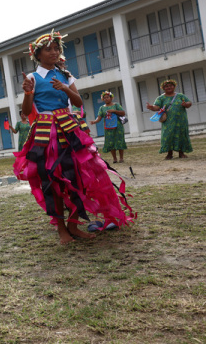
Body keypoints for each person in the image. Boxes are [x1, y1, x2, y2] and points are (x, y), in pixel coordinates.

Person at [14, 30, 134, 245]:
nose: (54, 52)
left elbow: (78, 103)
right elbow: (26, 109)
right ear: (38, 55)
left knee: (78, 177)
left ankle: (73, 226)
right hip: (45, 131)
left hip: (69, 128)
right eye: (48, 49)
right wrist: (27, 93)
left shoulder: (66, 75)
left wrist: (65, 89)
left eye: (56, 48)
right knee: (52, 179)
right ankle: (62, 230)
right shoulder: (32, 78)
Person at [146, 79, 193, 159]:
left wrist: (185, 104)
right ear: (163, 88)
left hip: (181, 120)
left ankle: (181, 153)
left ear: (174, 86)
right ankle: (169, 154)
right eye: (166, 86)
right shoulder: (161, 98)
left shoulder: (180, 96)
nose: (169, 87)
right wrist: (151, 107)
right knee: (168, 136)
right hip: (168, 121)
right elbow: (156, 107)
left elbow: (189, 103)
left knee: (181, 135)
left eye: (171, 85)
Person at [90, 91, 127, 163]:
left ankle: (121, 158)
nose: (106, 99)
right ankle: (115, 159)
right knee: (111, 142)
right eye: (104, 98)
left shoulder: (116, 105)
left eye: (107, 97)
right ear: (103, 99)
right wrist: (94, 121)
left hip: (118, 126)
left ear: (111, 98)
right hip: (108, 127)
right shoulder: (102, 108)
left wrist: (114, 111)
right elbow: (99, 117)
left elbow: (123, 113)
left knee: (120, 141)